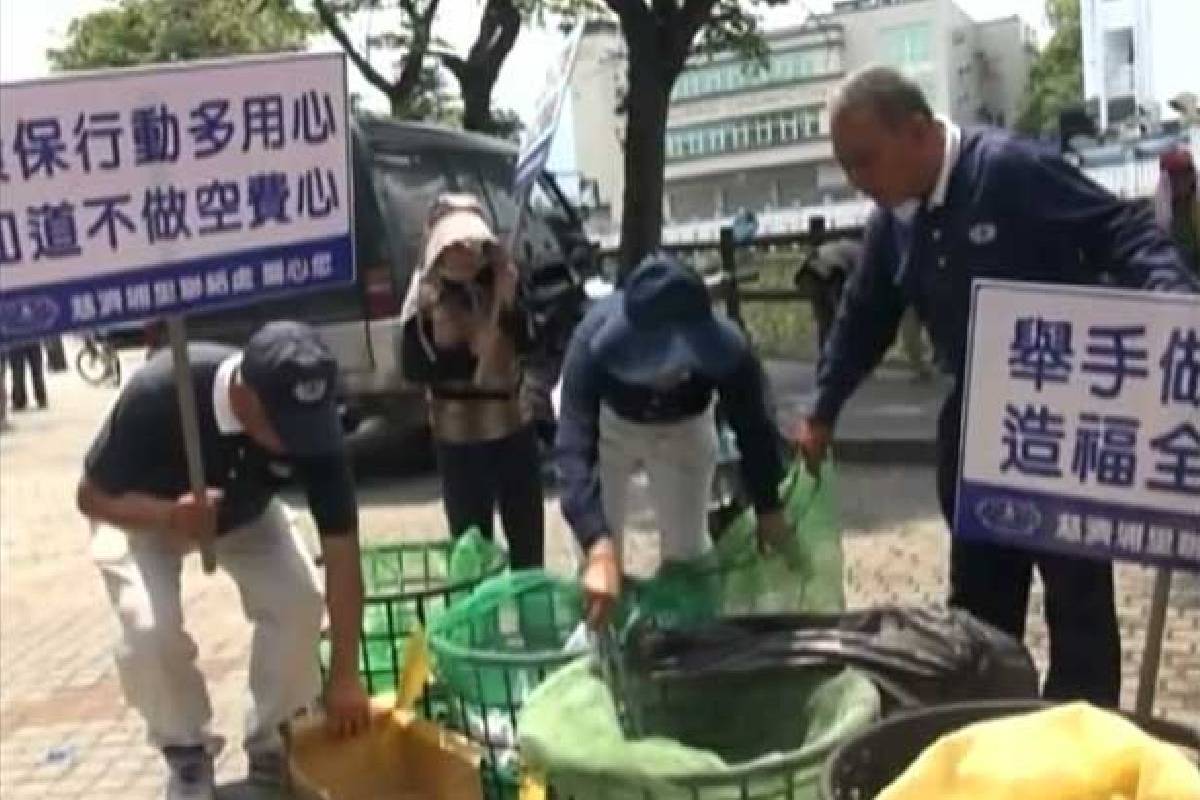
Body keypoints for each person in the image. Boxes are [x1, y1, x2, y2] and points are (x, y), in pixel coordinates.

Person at [794, 67, 1199, 707]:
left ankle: (1081, 739)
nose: (857, 182)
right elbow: (862, 320)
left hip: (1060, 431)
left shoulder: (1010, 172)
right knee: (980, 605)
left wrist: (1177, 313)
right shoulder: (893, 222)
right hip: (977, 431)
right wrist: (822, 410)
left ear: (919, 132)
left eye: (864, 160)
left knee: (1078, 602)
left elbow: (1121, 231)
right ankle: (992, 727)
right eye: (846, 166)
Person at [76, 321, 370, 800]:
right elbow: (91, 497)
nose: (302, 443)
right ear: (246, 397)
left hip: (246, 514)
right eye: (285, 427)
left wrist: (344, 677)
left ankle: (275, 743)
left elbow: (342, 557)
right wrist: (169, 514)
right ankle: (187, 754)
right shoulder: (159, 393)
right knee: (148, 631)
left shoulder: (314, 429)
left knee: (298, 601)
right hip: (145, 515)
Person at [557, 253, 790, 626]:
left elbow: (755, 428)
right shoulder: (590, 343)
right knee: (599, 563)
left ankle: (687, 644)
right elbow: (572, 452)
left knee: (689, 552)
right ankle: (600, 649)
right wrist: (597, 546)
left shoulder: (732, 352)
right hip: (610, 428)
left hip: (686, 428)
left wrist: (768, 506)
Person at [400, 193, 544, 568]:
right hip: (459, 436)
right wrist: (463, 358)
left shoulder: (503, 277)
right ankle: (480, 624)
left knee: (527, 539)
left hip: (514, 426)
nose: (465, 251)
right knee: (471, 546)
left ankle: (535, 621)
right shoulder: (424, 294)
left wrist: (507, 305)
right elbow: (414, 366)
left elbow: (532, 340)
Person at [802, 238, 932, 379]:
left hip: (808, 275)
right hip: (833, 272)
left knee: (827, 323)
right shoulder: (868, 257)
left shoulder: (851, 249)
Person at [1154, 146, 1200, 274]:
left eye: (1186, 173)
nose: (1181, 180)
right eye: (1174, 176)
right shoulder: (1158, 212)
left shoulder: (1196, 203)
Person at [7, 340, 48, 411]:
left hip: (15, 339)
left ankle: (19, 401)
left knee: (17, 372)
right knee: (37, 371)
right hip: (31, 337)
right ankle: (41, 399)